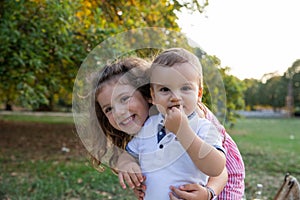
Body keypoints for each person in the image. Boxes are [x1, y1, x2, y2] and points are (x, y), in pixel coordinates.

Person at [93, 55, 244, 199]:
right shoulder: (151, 125)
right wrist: (130, 167)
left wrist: (209, 192)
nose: (118, 112)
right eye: (108, 109)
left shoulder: (189, 114)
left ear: (148, 95)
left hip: (225, 182)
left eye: (125, 99)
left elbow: (220, 172)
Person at [117, 48, 226, 200]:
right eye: (165, 89)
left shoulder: (204, 128)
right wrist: (126, 163)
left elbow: (216, 168)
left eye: (185, 88)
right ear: (153, 96)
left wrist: (183, 132)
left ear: (199, 94)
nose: (175, 97)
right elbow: (128, 153)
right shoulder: (150, 126)